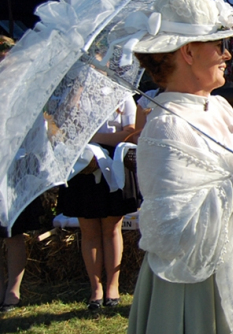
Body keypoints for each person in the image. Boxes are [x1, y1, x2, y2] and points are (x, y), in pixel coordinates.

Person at [126, 0, 233, 334]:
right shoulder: (164, 127)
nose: (227, 54)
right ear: (188, 52)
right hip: (194, 288)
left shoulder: (219, 107)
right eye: (218, 45)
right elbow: (170, 232)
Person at [58, 96, 138, 311]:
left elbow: (130, 133)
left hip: (113, 163)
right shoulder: (72, 96)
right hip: (82, 165)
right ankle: (96, 289)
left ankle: (113, 286)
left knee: (112, 229)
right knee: (89, 230)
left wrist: (95, 137)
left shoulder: (122, 96)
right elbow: (62, 132)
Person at [0, 36, 47, 314]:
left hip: (15, 169)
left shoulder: (27, 94)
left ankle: (13, 291)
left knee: (13, 232)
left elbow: (36, 133)